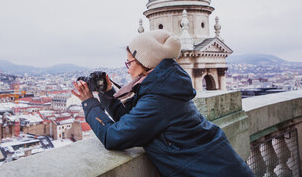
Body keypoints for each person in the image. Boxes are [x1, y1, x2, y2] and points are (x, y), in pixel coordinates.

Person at [72, 30, 254, 177]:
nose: (128, 69)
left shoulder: (159, 98)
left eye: (129, 63)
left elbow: (112, 137)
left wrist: (89, 102)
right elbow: (133, 121)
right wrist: (107, 92)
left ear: (145, 62)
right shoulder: (166, 87)